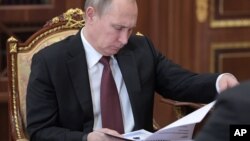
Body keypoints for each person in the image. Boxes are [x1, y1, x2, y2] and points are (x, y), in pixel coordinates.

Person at [26, 0, 239, 141]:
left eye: (130, 30)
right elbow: (40, 131)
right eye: (118, 28)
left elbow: (179, 82)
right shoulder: (50, 62)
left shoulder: (140, 49)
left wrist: (219, 82)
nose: (124, 39)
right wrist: (87, 138)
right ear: (91, 15)